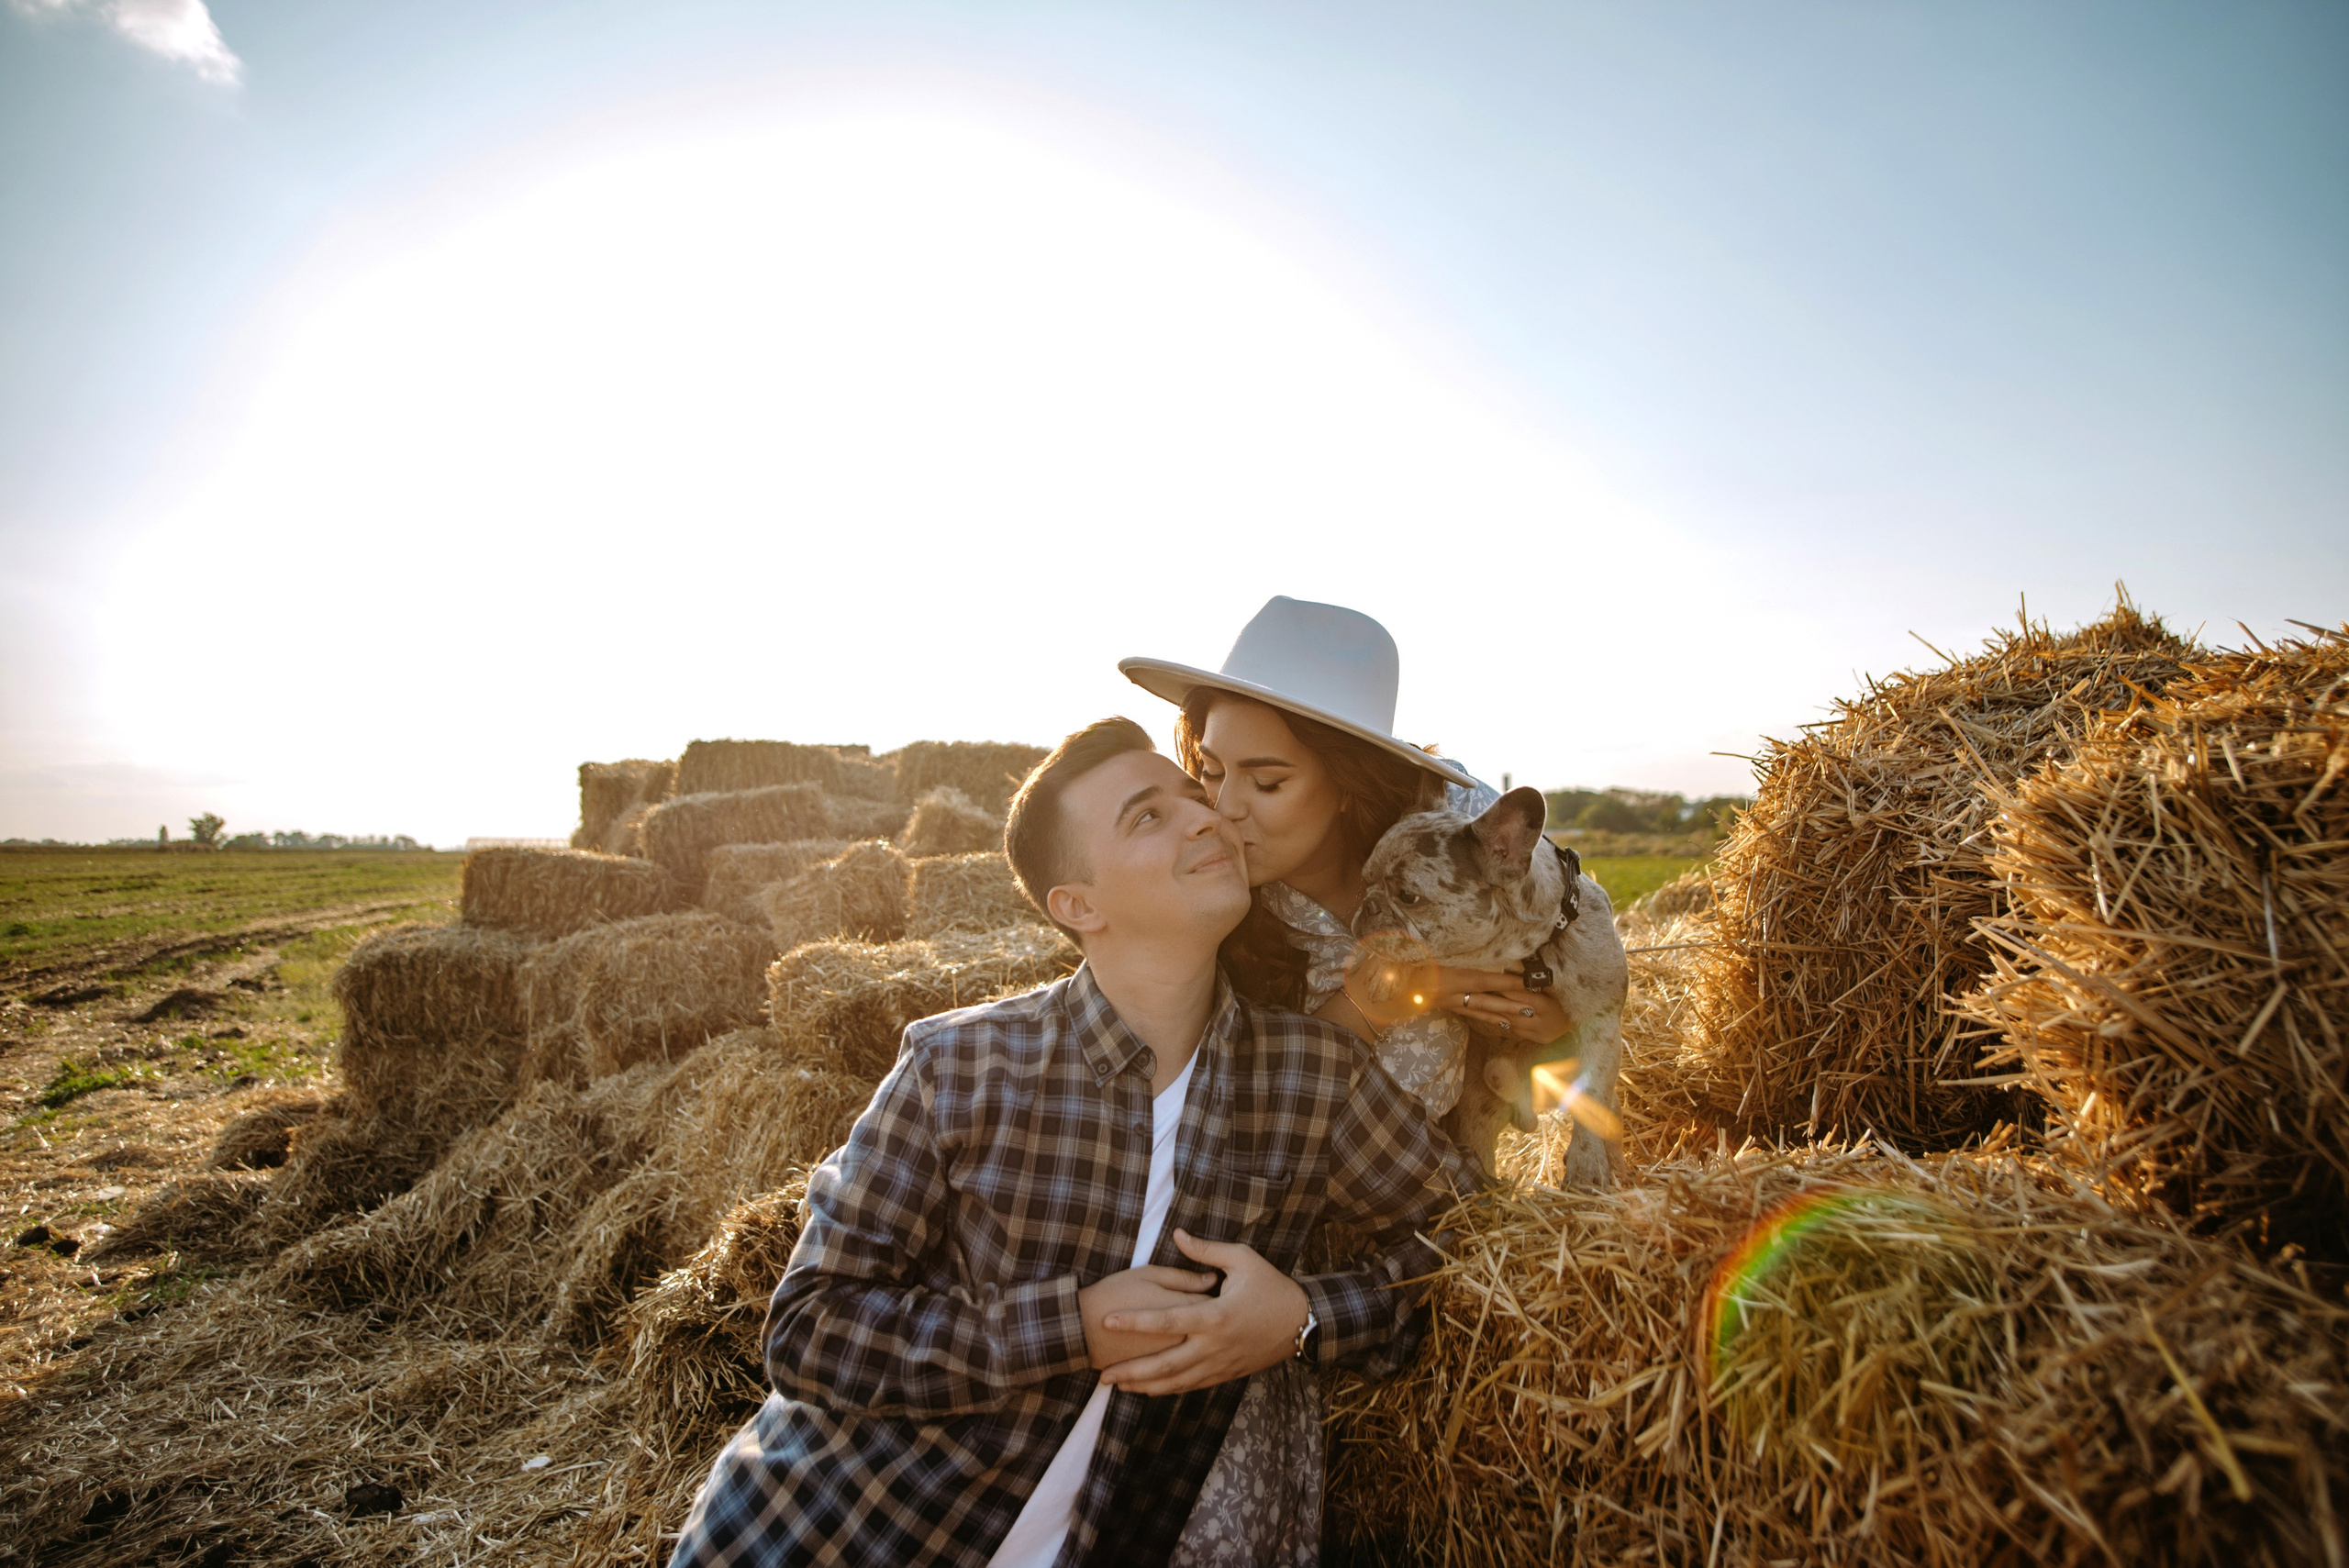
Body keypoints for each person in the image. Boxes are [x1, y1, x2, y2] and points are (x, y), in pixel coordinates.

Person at [667, 717, 1475, 1568]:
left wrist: (1302, 1318)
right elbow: (809, 1326)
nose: (1206, 816)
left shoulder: (1313, 1076)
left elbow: (1469, 1234)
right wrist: (1074, 1325)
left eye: (1192, 795)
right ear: (1078, 905)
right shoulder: (959, 1064)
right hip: (829, 1533)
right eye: (1148, 816)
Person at [1121, 595, 1585, 1563]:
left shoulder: (1465, 867)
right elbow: (1231, 1105)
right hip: (1263, 1242)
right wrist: (1385, 999)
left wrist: (1549, 1030)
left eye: (1267, 779)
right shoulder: (1219, 898)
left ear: (1349, 784)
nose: (1224, 806)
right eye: (1211, 770)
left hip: (1430, 1239)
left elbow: (1559, 1058)